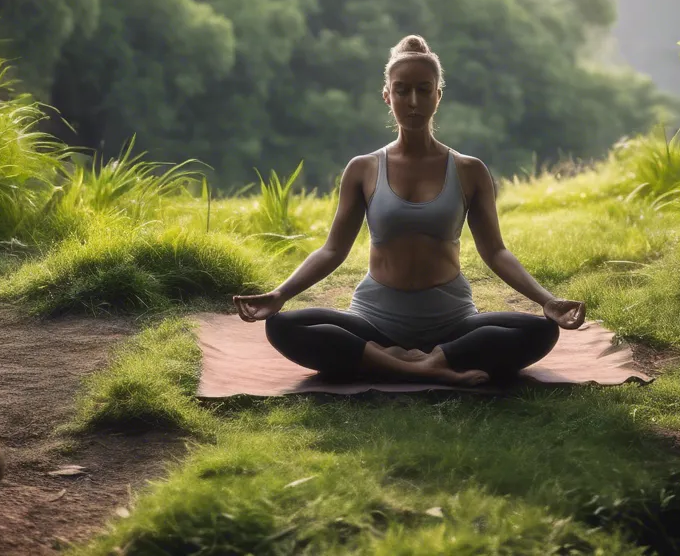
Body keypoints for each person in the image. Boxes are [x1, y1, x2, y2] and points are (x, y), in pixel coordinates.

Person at [233, 34, 586, 386]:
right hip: (374, 321)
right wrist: (279, 294)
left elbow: (495, 251)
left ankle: (408, 360)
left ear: (438, 95)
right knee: (283, 325)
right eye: (402, 90)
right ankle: (420, 368)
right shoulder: (364, 169)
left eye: (423, 89)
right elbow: (332, 250)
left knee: (540, 331)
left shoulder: (469, 170)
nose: (413, 101)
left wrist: (548, 301)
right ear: (387, 96)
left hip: (452, 322)